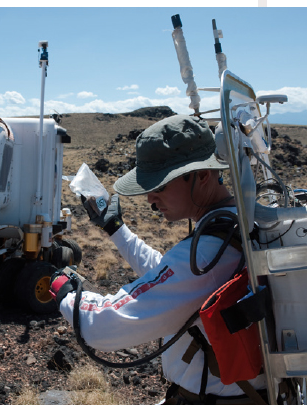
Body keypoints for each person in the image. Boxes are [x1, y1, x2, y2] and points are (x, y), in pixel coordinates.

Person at [50, 115, 267, 404]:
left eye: (160, 186)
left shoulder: (208, 253)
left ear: (202, 175)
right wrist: (116, 229)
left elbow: (99, 326)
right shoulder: (234, 224)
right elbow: (170, 274)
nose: (150, 199)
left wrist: (67, 292)